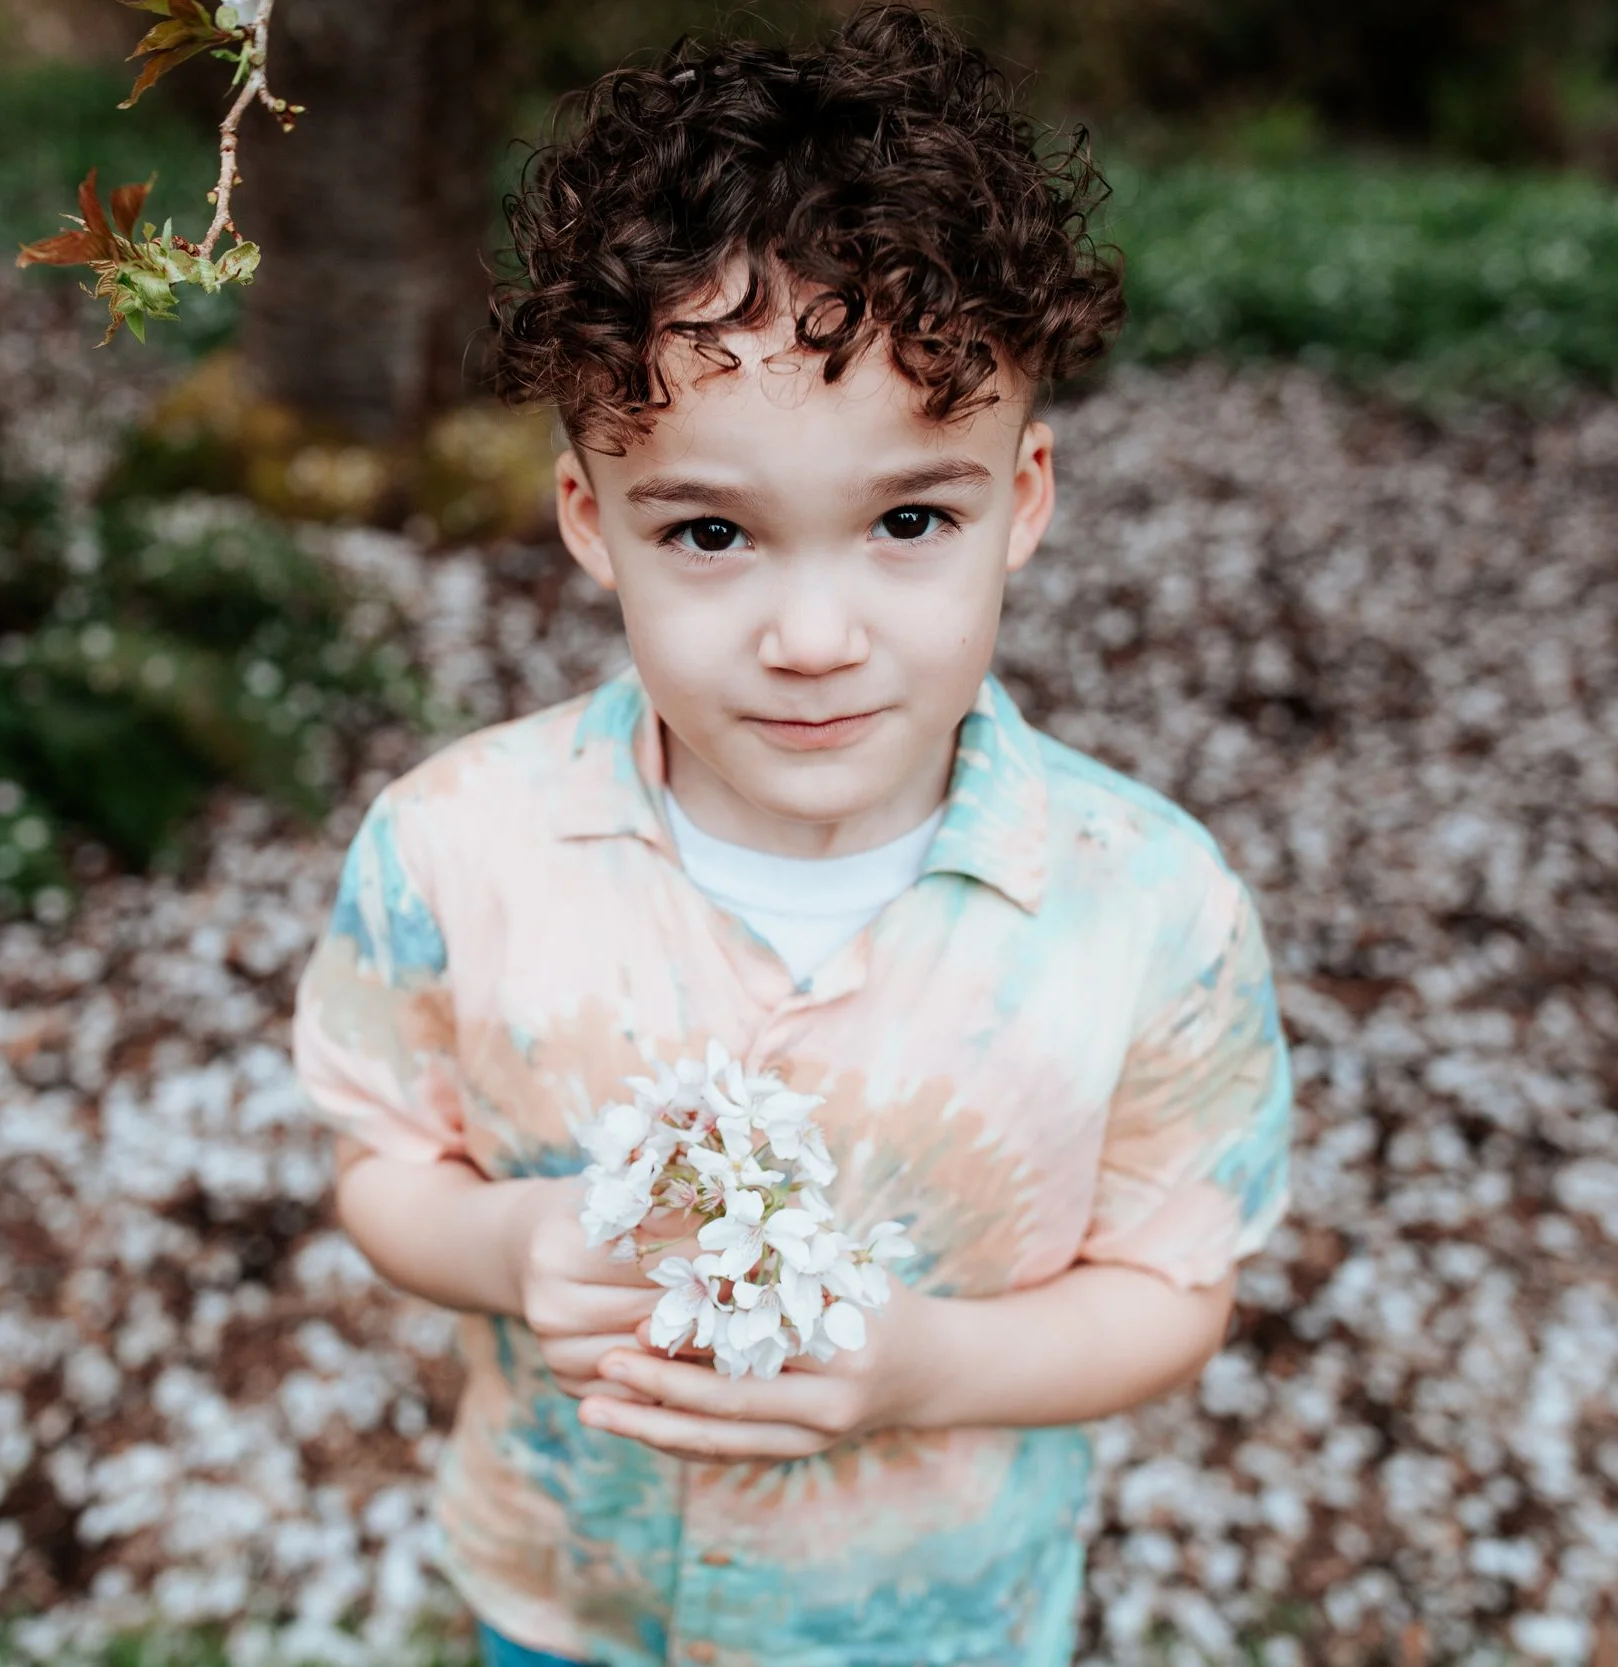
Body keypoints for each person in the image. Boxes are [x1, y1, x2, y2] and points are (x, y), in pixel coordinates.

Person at [289, 8, 1293, 1664]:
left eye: (909, 520)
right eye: (711, 531)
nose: (814, 633)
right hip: (571, 1600)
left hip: (935, 1619)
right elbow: (386, 1160)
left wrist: (924, 1369)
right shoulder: (456, 848)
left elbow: (1173, 1289)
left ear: (1021, 500)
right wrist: (511, 1242)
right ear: (588, 521)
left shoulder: (1151, 907)